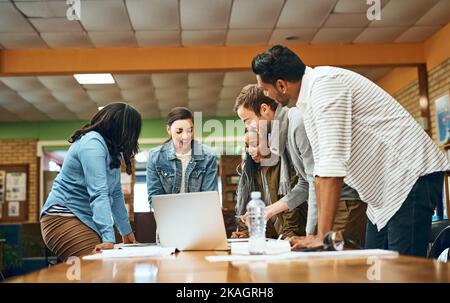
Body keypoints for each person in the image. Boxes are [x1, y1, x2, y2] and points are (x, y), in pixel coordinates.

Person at [252, 45, 450, 256]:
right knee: (375, 264)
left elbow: (331, 167)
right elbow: (319, 172)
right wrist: (317, 233)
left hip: (408, 177)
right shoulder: (308, 101)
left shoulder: (325, 86)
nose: (266, 95)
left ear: (281, 85)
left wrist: (322, 237)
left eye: (265, 89)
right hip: (382, 194)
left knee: (402, 271)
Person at [235, 84, 367, 247]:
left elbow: (313, 178)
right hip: (327, 204)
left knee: (338, 264)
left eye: (248, 121)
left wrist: (311, 235)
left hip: (344, 199)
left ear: (264, 109)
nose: (247, 128)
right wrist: (268, 211)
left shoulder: (296, 122)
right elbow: (304, 184)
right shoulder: (282, 135)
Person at [40, 103, 141, 260]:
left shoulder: (113, 150)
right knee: (98, 267)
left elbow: (114, 193)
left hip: (85, 219)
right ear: (120, 129)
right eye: (131, 132)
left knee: (105, 269)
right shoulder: (92, 144)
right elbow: (98, 191)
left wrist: (126, 231)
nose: (131, 138)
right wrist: (108, 239)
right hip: (63, 216)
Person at [232, 132, 308, 239]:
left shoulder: (285, 166)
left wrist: (288, 237)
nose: (250, 150)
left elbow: (292, 207)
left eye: (254, 144)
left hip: (292, 237)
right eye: (247, 146)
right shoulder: (250, 171)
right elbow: (247, 206)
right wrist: (246, 233)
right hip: (270, 241)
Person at [147, 107, 217, 208]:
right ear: (169, 130)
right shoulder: (155, 157)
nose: (185, 136)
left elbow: (209, 198)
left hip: (198, 217)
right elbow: (154, 199)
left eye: (190, 130)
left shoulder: (209, 156)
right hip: (168, 217)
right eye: (179, 131)